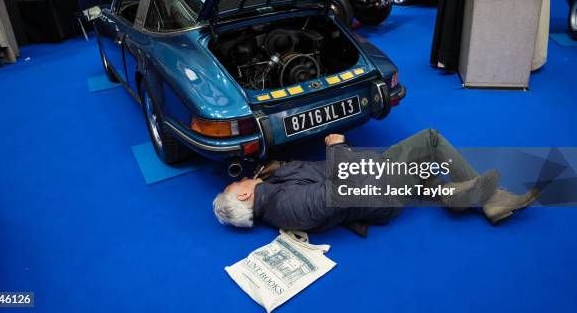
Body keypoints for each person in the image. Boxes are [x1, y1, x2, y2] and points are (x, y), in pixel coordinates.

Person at [212, 130, 538, 236]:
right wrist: (336, 147)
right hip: (376, 192)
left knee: (424, 170)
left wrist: (277, 168)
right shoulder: (287, 207)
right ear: (242, 194)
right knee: (431, 142)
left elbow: (309, 177)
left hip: (372, 176)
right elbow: (343, 191)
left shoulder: (274, 195)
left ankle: (453, 194)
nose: (242, 179)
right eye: (237, 183)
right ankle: (488, 199)